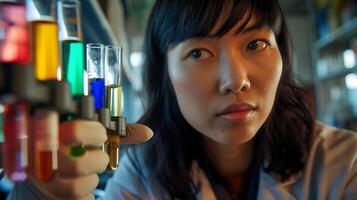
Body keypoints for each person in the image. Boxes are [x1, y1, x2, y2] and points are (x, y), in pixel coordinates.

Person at [8, 0, 357, 199]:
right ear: (165, 74)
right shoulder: (140, 176)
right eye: (199, 53)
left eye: (255, 44)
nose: (236, 81)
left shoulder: (344, 164)